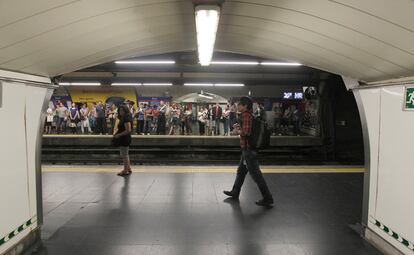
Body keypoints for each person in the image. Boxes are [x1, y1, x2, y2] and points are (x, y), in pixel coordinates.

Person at [223, 97, 274, 207]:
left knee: (256, 175)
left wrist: (237, 130)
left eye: (239, 104)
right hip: (247, 150)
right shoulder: (249, 115)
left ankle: (267, 197)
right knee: (241, 171)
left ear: (245, 106)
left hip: (249, 151)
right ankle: (235, 191)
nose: (237, 106)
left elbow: (246, 132)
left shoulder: (246, 115)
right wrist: (239, 128)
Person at [114, 104, 133, 176]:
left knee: (124, 155)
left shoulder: (126, 117)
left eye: (122, 110)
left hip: (124, 138)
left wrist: (118, 135)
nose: (120, 112)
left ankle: (125, 170)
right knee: (125, 154)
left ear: (126, 110)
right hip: (124, 138)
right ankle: (128, 168)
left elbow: (128, 130)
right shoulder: (123, 117)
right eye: (119, 110)